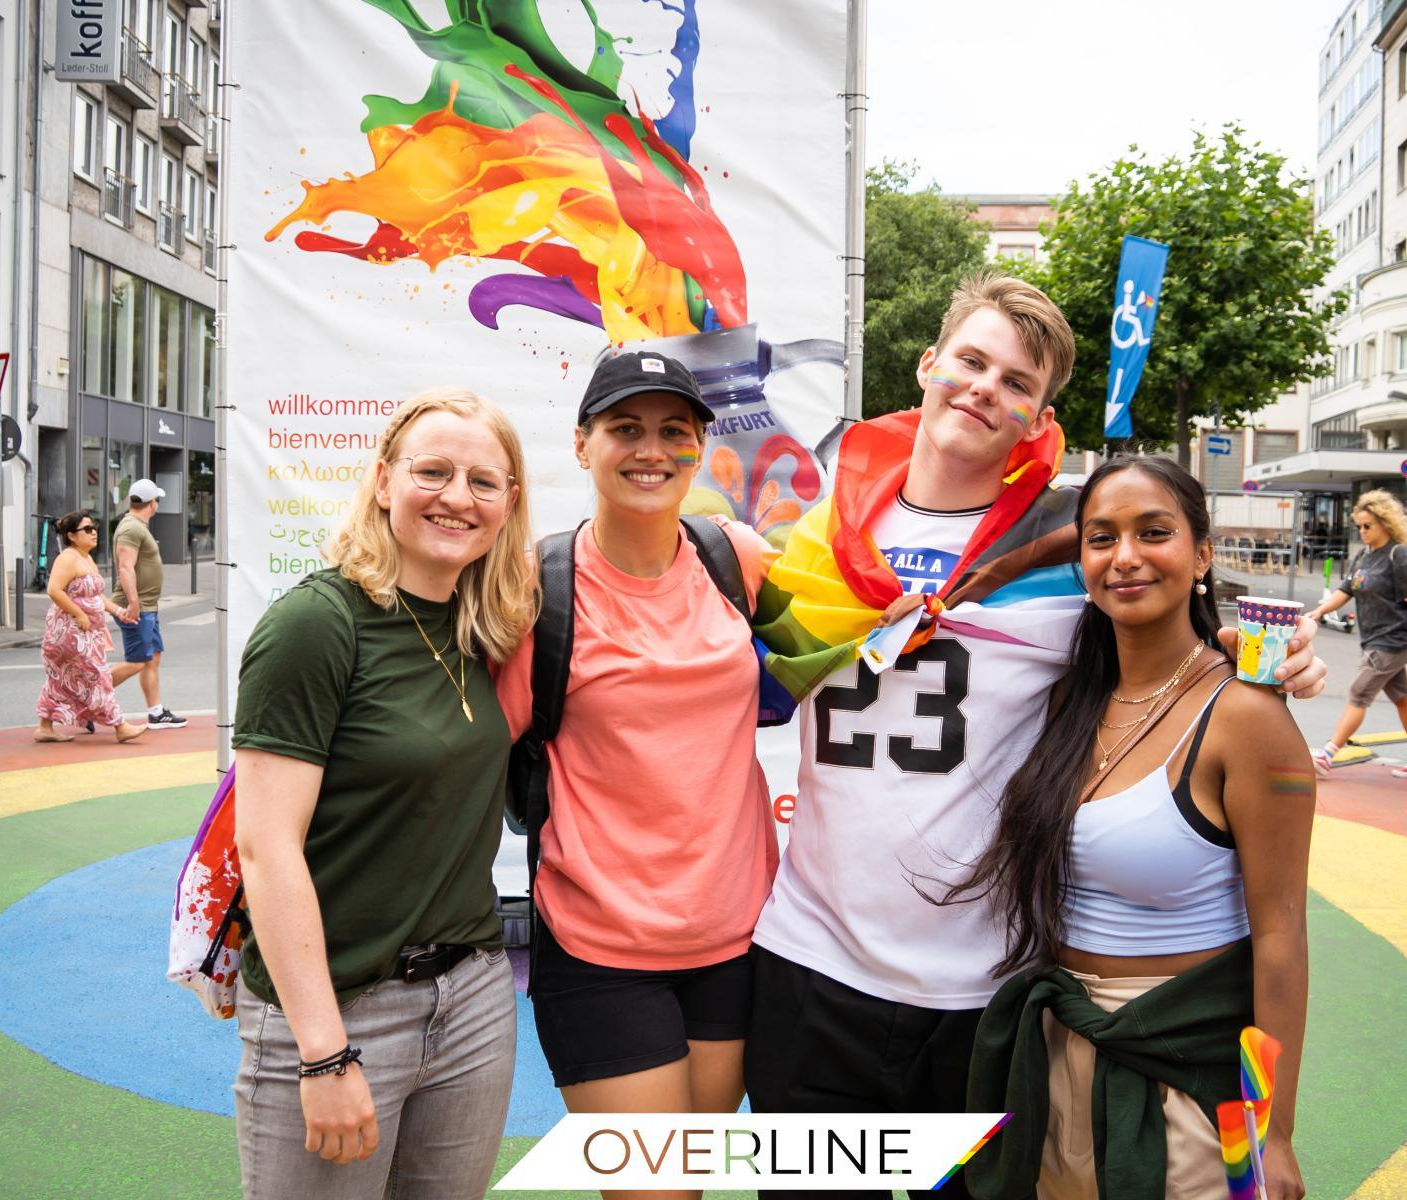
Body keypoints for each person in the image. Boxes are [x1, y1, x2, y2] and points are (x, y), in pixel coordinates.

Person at [744, 272, 1326, 1200]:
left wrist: (1269, 656)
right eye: (971, 362)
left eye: (1017, 382)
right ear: (929, 366)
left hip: (991, 996)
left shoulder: (1070, 550)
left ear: (1036, 416)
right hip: (812, 968)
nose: (985, 388)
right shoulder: (812, 528)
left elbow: (1170, 630)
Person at [959, 455, 1313, 1200]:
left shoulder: (1247, 716)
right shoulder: (1071, 699)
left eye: (1156, 533)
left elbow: (1281, 938)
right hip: (1055, 1058)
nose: (1125, 557)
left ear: (1204, 553)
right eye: (1101, 538)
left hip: (1179, 1074)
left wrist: (1272, 1132)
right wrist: (988, 580)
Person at [229, 389, 538, 1199]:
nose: (456, 497)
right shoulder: (318, 623)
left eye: (483, 481)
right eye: (431, 472)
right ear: (381, 481)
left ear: (509, 504)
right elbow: (265, 848)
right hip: (342, 1004)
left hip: (472, 997)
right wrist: (323, 1052)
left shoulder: (488, 630)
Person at [494, 353, 777, 1173]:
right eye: (625, 429)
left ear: (698, 450)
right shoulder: (532, 590)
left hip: (736, 940)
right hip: (598, 948)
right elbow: (460, 757)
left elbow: (840, 649)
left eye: (673, 432)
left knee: (693, 1173)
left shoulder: (738, 560)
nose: (650, 450)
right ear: (583, 445)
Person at [1304, 488, 1407, 779]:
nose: (1362, 531)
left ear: (1386, 525)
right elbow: (1346, 589)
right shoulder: (1364, 556)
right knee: (1402, 697)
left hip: (1395, 639)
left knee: (1359, 691)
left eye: (1368, 526)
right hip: (1374, 638)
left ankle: (1327, 755)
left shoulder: (1399, 555)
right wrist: (1319, 612)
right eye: (1359, 526)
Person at [34, 511, 145, 744]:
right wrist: (79, 613)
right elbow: (54, 590)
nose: (94, 532)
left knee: (60, 678)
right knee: (98, 676)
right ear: (72, 535)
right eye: (87, 529)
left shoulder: (86, 558)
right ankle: (119, 725)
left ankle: (44, 727)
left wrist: (117, 611)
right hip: (70, 631)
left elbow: (96, 595)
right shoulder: (68, 558)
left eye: (94, 528)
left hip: (86, 631)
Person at [111, 478, 187, 729]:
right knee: (138, 661)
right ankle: (88, 699)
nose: (157, 504)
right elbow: (125, 566)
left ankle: (155, 712)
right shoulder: (131, 528)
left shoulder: (137, 526)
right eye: (157, 500)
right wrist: (133, 603)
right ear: (152, 503)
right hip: (138, 607)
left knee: (152, 657)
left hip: (147, 607)